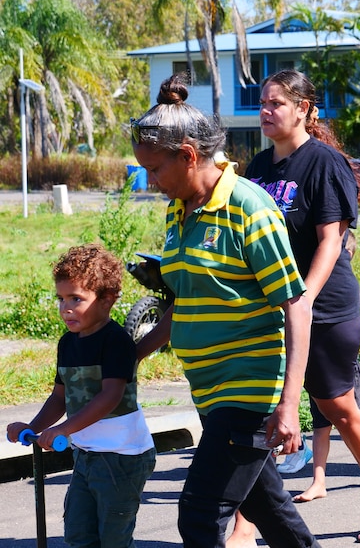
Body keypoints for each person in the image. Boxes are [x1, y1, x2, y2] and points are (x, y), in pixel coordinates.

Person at [131, 74, 320, 548]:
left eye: (154, 170)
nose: (150, 182)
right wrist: (133, 353)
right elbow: (188, 301)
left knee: (199, 514)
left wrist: (289, 406)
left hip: (248, 391)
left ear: (189, 155)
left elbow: (296, 307)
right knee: (267, 508)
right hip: (210, 392)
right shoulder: (181, 210)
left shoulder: (248, 208)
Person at [243, 69, 360, 543]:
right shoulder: (257, 169)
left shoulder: (324, 163)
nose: (266, 112)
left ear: (305, 110)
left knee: (338, 406)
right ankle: (245, 527)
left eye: (277, 104)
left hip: (325, 305)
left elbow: (332, 240)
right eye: (263, 104)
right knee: (256, 412)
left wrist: (305, 296)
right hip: (271, 309)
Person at [6, 244, 156, 548]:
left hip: (122, 457)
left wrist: (63, 429)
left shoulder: (115, 341)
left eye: (76, 299)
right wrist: (33, 429)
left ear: (107, 301)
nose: (66, 308)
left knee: (113, 538)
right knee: (78, 534)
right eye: (61, 299)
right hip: (86, 454)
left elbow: (110, 397)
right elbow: (59, 397)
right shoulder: (68, 343)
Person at [290, 229, 360, 501]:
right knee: (320, 426)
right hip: (317, 360)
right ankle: (318, 481)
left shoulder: (343, 289)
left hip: (344, 368)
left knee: (350, 421)